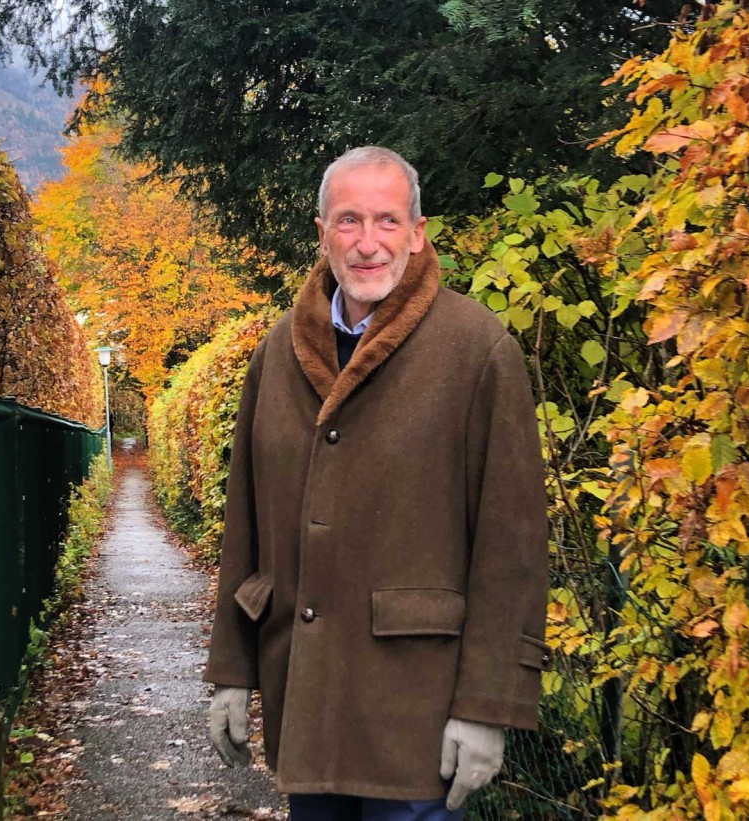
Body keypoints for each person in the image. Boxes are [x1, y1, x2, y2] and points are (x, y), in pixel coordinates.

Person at [204, 146, 550, 821]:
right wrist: (230, 670)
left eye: (387, 222)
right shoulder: (276, 351)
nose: (367, 244)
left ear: (417, 233)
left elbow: (512, 549)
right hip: (307, 698)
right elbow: (243, 523)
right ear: (321, 232)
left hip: (415, 713)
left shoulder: (477, 350)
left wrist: (486, 708)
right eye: (348, 221)